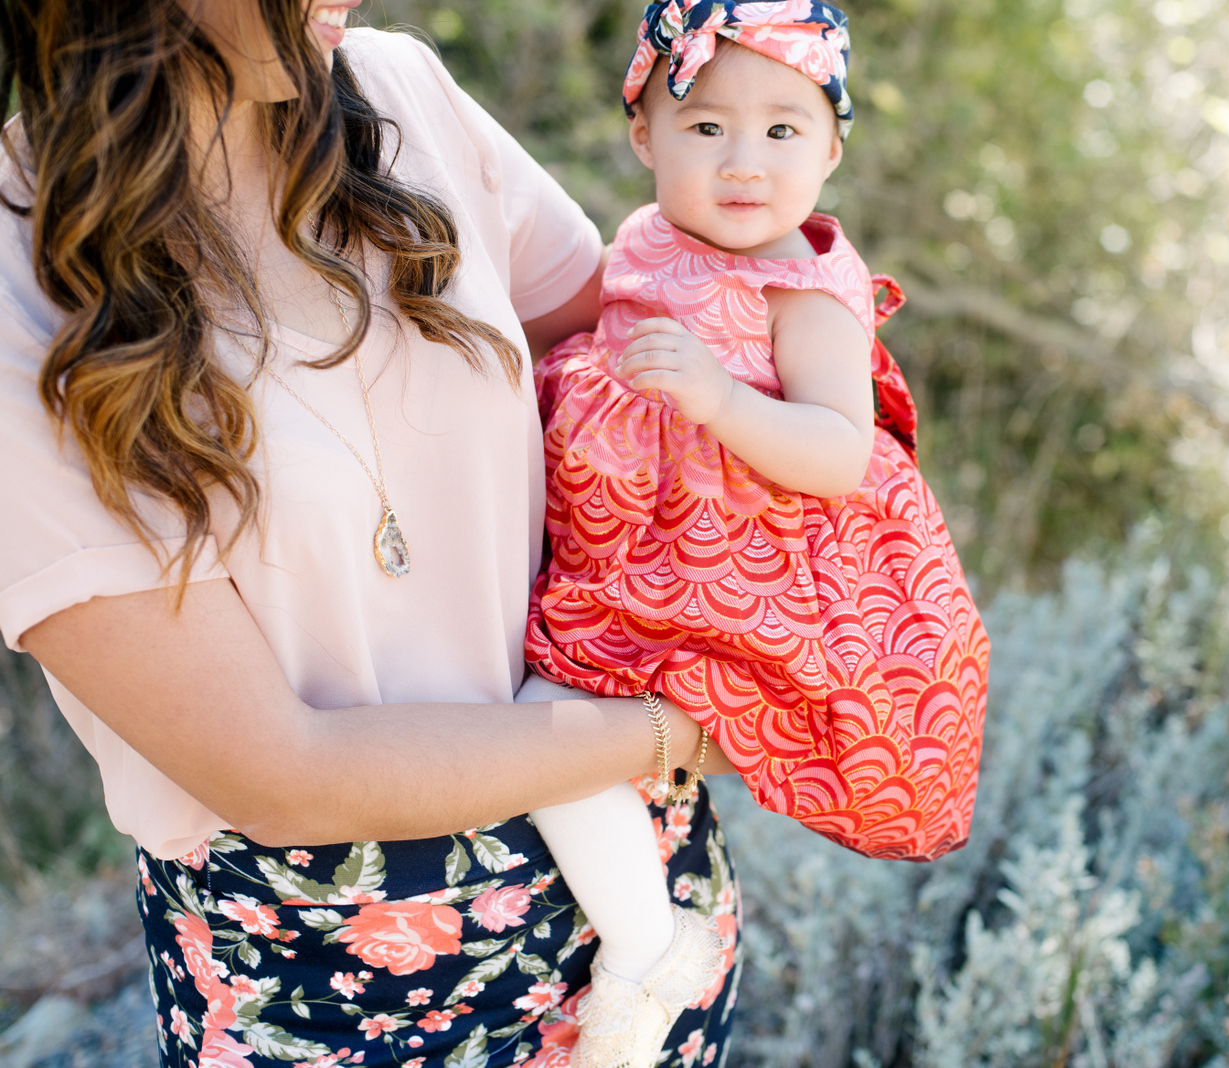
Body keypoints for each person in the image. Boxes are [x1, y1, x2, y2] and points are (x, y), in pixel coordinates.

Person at [0, 3, 739, 1067]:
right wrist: (690, 731)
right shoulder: (19, 281)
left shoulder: (400, 91)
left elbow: (617, 353)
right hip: (331, 996)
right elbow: (275, 768)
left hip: (637, 915)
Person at [522, 3, 990, 1064]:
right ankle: (642, 934)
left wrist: (718, 402)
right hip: (633, 558)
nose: (744, 162)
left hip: (745, 572)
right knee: (542, 724)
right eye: (705, 129)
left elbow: (837, 452)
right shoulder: (646, 242)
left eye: (783, 130)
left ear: (830, 147)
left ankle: (647, 946)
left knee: (542, 728)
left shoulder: (805, 290)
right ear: (642, 136)